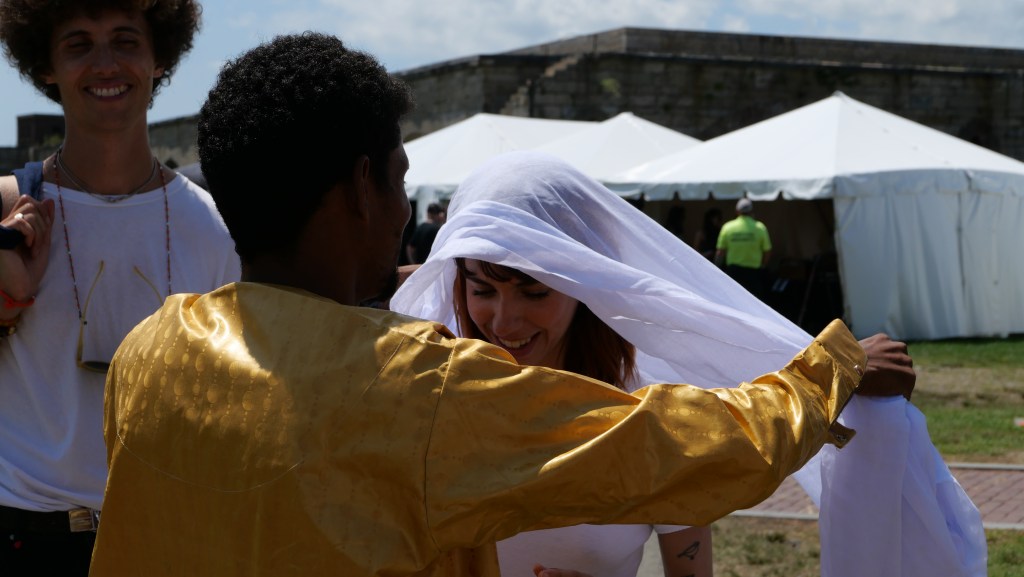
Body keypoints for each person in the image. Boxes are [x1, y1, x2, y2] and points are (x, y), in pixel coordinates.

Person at [91, 32, 916, 577]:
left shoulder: (150, 350)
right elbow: (667, 450)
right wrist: (827, 369)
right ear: (359, 188)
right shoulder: (414, 386)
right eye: (401, 179)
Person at [391, 151, 986, 577]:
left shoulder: (649, 405)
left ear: (584, 281)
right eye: (481, 288)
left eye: (534, 292)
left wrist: (837, 371)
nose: (504, 320)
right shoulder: (419, 392)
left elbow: (698, 528)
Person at [0, 2, 239, 575]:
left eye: (126, 41)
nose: (105, 64)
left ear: (160, 60)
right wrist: (8, 303)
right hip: (21, 533)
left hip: (162, 536)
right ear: (47, 67)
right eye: (78, 44)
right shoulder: (8, 208)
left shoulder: (211, 226)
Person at [716, 198, 771, 299]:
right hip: (753, 273)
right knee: (754, 302)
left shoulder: (727, 227)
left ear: (737, 211)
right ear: (751, 211)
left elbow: (720, 253)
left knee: (733, 300)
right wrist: (763, 266)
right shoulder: (760, 228)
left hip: (734, 272)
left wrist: (717, 270)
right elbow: (767, 251)